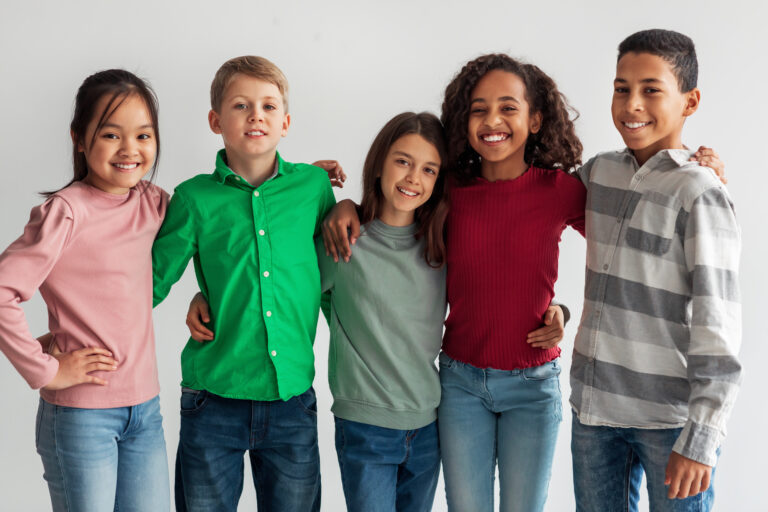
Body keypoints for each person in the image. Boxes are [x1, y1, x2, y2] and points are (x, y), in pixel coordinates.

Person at [323, 54, 583, 512]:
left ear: (536, 119)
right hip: (460, 385)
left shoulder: (559, 190)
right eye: (479, 109)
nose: (492, 120)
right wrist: (337, 201)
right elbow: (392, 221)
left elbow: (623, 230)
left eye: (508, 107)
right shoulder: (448, 194)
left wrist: (562, 310)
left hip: (533, 384)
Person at [190, 111, 448, 511]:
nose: (414, 177)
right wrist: (207, 294)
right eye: (402, 161)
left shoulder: (441, 247)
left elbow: (490, 293)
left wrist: (555, 307)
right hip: (365, 425)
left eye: (429, 169)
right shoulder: (345, 241)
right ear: (379, 163)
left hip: (429, 424)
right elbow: (276, 274)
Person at [151, 55, 337, 512]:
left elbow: (331, 275)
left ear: (286, 122)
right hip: (213, 399)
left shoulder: (313, 187)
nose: (257, 115)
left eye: (269, 107)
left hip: (291, 398)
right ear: (215, 121)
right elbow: (149, 283)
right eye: (240, 106)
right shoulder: (194, 198)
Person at [569, 29, 741, 512]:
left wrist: (702, 437)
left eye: (651, 90)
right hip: (595, 411)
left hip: (670, 422)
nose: (632, 104)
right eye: (621, 88)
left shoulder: (700, 191)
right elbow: (528, 206)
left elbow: (718, 325)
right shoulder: (599, 173)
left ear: (690, 102)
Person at [0, 69, 171, 511]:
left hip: (145, 411)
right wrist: (44, 369)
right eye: (111, 134)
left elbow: (218, 223)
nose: (130, 149)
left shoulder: (154, 203)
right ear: (79, 138)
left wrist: (298, 180)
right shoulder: (65, 212)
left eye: (143, 135)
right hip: (81, 417)